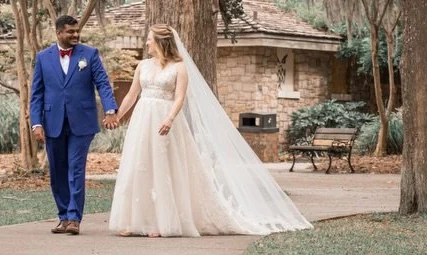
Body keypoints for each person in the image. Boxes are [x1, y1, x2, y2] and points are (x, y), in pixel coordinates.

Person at [108, 24, 312, 237]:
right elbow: (132, 95)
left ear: (161, 42)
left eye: (150, 39)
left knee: (164, 167)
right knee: (140, 164)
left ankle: (160, 222)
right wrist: (117, 115)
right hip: (143, 120)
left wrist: (169, 118)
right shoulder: (143, 66)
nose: (147, 43)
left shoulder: (179, 67)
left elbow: (180, 97)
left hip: (165, 119)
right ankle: (135, 220)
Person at [30, 15, 119, 235]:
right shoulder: (43, 58)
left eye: (77, 31)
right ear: (59, 33)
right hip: (52, 123)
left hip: (82, 123)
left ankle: (74, 218)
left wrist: (110, 110)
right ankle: (63, 216)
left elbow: (103, 84)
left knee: (75, 168)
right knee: (57, 171)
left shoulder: (90, 54)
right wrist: (36, 123)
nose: (76, 35)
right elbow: (36, 94)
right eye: (70, 32)